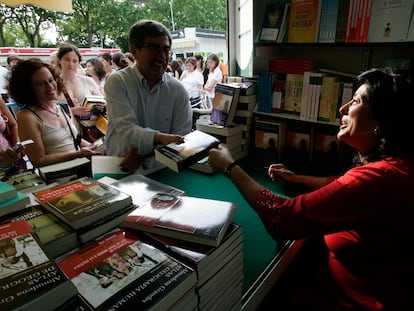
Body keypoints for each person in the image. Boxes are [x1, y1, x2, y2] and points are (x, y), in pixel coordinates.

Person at [208, 68, 414, 310]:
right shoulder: (398, 166)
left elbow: (282, 219)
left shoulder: (377, 178)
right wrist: (297, 179)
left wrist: (230, 166)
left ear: (382, 121)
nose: (343, 109)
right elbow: (343, 185)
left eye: (356, 101)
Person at [104, 19, 192, 172]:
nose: (162, 56)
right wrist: (160, 138)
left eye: (166, 49)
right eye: (154, 48)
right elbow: (127, 129)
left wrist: (144, 154)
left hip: (163, 170)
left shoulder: (177, 90)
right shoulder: (118, 82)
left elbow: (180, 138)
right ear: (134, 51)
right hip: (122, 169)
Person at [8, 58, 101, 168]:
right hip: (58, 179)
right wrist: (78, 154)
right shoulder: (27, 117)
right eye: (40, 84)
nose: (50, 87)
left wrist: (96, 146)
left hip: (80, 173)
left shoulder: (60, 107)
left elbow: (75, 140)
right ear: (27, 89)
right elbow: (38, 160)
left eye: (51, 80)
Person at [57, 43, 105, 141]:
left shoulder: (87, 80)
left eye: (74, 61)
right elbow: (48, 111)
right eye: (67, 59)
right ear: (60, 60)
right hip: (67, 133)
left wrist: (101, 105)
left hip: (92, 129)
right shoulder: (53, 84)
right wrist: (72, 111)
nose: (71, 64)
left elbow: (103, 101)